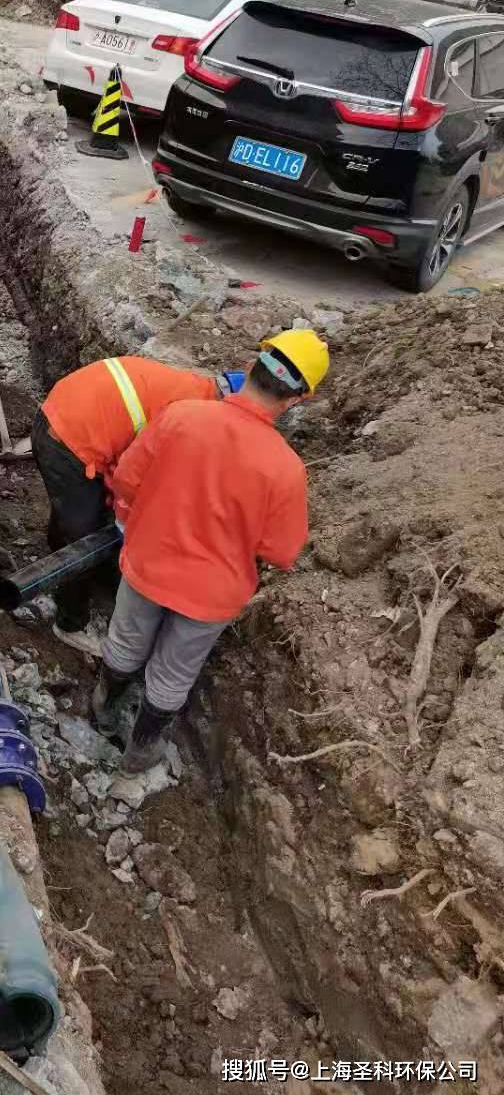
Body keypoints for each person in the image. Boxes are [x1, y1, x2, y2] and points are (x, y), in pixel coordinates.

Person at [91, 329, 329, 772]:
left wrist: (134, 516)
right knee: (173, 672)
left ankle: (103, 712)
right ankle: (141, 751)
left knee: (125, 640)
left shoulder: (180, 416)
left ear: (252, 369)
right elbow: (281, 551)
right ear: (296, 399)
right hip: (211, 596)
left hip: (148, 564)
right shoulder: (286, 469)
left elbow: (126, 478)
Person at [32, 355, 245, 656]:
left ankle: (68, 561)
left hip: (61, 412)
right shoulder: (189, 418)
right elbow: (135, 475)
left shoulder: (192, 388)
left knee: (77, 515)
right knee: (83, 533)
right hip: (69, 441)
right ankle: (70, 622)